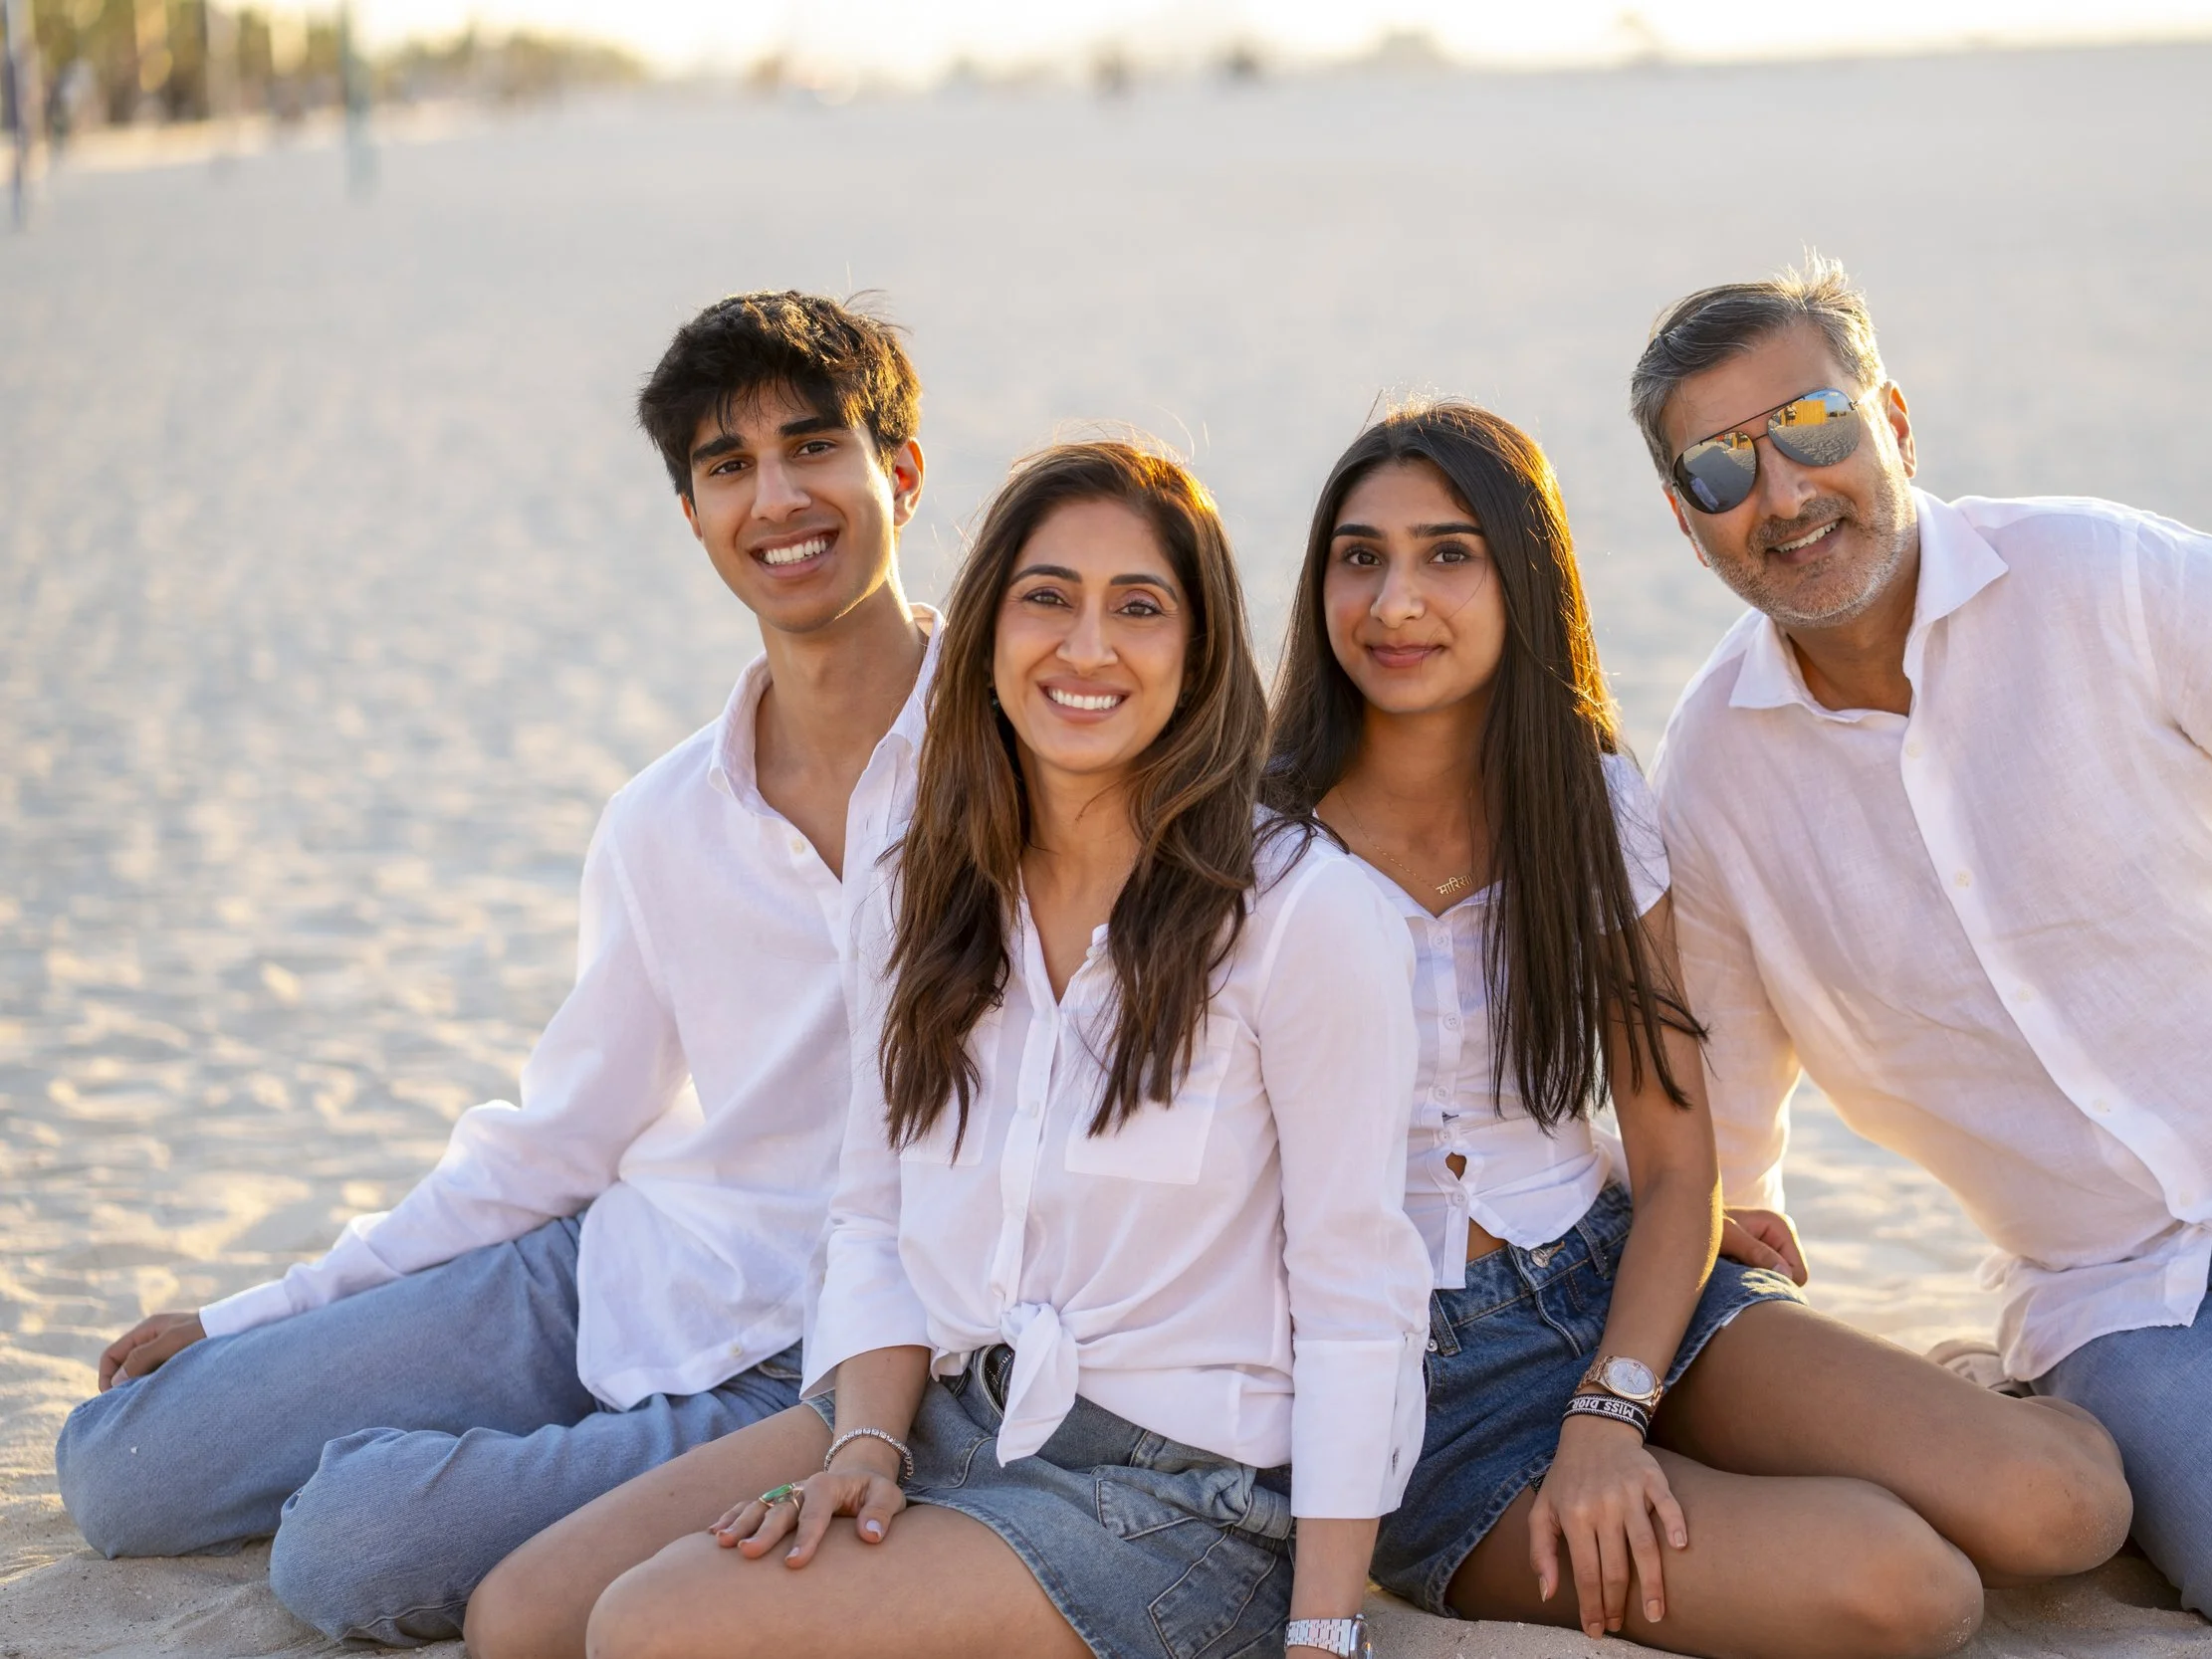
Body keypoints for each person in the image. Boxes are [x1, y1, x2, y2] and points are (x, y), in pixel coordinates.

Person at [52, 291, 943, 1646]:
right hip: (617, 1264)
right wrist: (263, 1309)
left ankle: (434, 1477)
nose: (777, 498)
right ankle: (412, 1426)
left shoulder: (1016, 769)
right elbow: (562, 1134)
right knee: (120, 1464)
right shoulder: (665, 817)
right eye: (726, 468)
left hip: (816, 1359)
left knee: (348, 1552)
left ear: (901, 473)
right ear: (695, 516)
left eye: (814, 447)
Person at [1637, 255, 2212, 1629]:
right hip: (2120, 1289)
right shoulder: (1714, 773)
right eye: (1724, 473)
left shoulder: (2111, 577)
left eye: (1810, 426)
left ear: (1892, 421)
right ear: (1688, 526)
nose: (1786, 495)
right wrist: (1732, 1240)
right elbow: (1722, 1081)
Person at [535, 440, 1433, 1659]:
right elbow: (869, 1215)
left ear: (1200, 649)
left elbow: (1354, 1293)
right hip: (949, 1413)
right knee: (524, 1613)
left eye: (1139, 607)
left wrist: (1325, 1629)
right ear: (989, 634)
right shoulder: (922, 884)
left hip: (1176, 1497)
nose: (1086, 646)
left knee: (651, 1627)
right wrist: (866, 1441)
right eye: (1047, 597)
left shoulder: (1299, 912)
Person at [1262, 402, 2129, 1658]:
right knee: (1909, 1588)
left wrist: (1614, 1406)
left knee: (2066, 1508)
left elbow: (1673, 1153)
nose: (1397, 600)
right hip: (1424, 1398)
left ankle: (1981, 1394)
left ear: (1522, 577)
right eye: (1360, 555)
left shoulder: (1587, 795)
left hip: (1616, 1284)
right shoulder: (1252, 847)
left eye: (1448, 553)